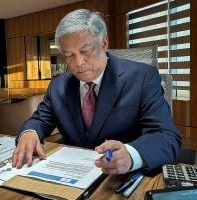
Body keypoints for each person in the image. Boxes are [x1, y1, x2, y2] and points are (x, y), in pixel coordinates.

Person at [12, 9, 181, 174]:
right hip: (72, 174)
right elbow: (40, 120)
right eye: (69, 55)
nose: (78, 63)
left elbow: (166, 136)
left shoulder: (142, 77)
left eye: (85, 51)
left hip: (121, 178)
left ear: (104, 43)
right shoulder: (58, 86)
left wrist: (131, 155)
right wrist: (29, 133)